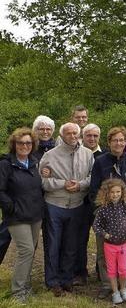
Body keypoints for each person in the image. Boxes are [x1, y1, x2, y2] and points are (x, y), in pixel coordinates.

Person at [40, 122, 94, 296]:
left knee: (71, 245)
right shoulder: (50, 155)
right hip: (55, 204)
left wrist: (80, 185)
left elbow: (92, 178)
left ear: (79, 135)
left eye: (75, 133)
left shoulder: (87, 154)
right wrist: (62, 184)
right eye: (68, 133)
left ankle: (67, 278)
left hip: (77, 204)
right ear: (62, 136)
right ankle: (52, 281)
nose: (72, 136)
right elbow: (42, 182)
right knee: (53, 245)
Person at [89, 127, 126, 299]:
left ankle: (125, 284)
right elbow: (94, 188)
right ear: (109, 142)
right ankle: (107, 285)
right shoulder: (100, 161)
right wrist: (99, 211)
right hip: (105, 215)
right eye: (115, 140)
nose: (118, 143)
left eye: (122, 140)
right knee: (104, 252)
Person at [0, 128, 44, 304]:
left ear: (32, 145)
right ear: (14, 144)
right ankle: (18, 292)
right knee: (25, 250)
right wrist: (11, 207)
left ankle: (25, 286)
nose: (24, 146)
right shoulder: (5, 164)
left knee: (31, 252)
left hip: (35, 214)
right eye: (20, 143)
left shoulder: (34, 162)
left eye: (28, 143)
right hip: (17, 216)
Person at [93, 178, 126, 305]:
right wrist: (105, 235)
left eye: (118, 192)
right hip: (109, 245)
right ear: (106, 193)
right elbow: (96, 225)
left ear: (122, 192)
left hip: (124, 244)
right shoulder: (103, 209)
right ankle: (115, 292)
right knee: (111, 269)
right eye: (112, 192)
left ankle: (123, 289)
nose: (115, 194)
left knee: (123, 269)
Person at [74, 122, 102, 285]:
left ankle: (102, 271)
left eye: (95, 136)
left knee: (103, 239)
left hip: (100, 204)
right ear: (82, 137)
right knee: (80, 238)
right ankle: (80, 272)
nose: (92, 138)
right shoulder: (75, 154)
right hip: (81, 203)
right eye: (88, 135)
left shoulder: (104, 155)